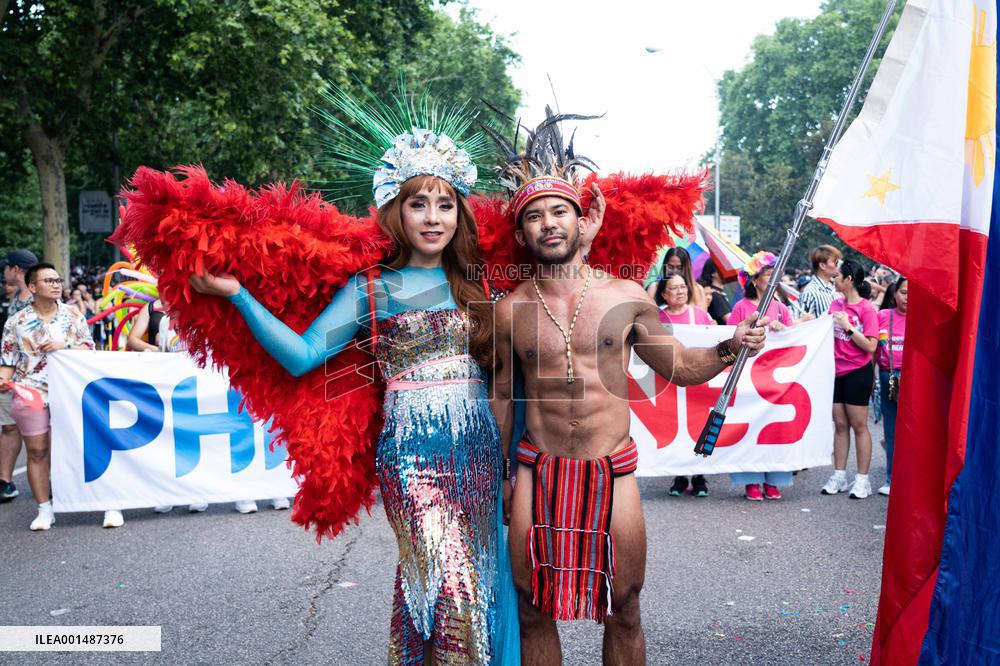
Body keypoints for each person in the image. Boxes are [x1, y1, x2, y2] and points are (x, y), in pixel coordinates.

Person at [186, 101, 520, 662]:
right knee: (447, 584)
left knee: (476, 585)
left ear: (460, 215)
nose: (433, 217)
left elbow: (505, 379)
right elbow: (302, 355)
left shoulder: (479, 285)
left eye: (445, 204)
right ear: (398, 213)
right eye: (419, 204)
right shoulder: (372, 289)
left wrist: (512, 464)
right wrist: (236, 295)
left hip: (479, 454)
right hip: (411, 458)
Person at [490, 142, 769, 664]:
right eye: (534, 216)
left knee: (625, 608)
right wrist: (498, 478)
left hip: (611, 468)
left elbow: (681, 366)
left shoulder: (625, 297)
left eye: (558, 211)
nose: (548, 224)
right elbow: (503, 398)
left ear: (580, 222)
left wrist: (733, 346)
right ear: (522, 232)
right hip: (535, 470)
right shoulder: (510, 310)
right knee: (531, 609)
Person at [0, 263, 109, 530]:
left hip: (70, 390)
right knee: (37, 450)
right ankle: (44, 509)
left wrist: (65, 346)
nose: (57, 284)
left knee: (83, 446)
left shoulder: (74, 316)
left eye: (58, 280)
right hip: (30, 392)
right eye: (49, 280)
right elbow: (8, 360)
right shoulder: (16, 322)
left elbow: (90, 349)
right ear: (33, 287)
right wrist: (3, 379)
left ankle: (107, 501)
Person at [726, 252, 796, 499]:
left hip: (776, 377)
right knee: (750, 425)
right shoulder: (741, 307)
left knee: (774, 428)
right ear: (754, 280)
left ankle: (774, 480)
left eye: (775, 275)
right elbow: (731, 338)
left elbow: (794, 341)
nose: (773, 279)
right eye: (768, 275)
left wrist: (783, 329)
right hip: (748, 376)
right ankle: (751, 481)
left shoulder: (781, 308)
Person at [821, 259, 879, 499]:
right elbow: (820, 329)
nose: (834, 279)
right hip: (836, 372)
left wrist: (848, 327)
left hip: (858, 371)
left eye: (837, 276)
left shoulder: (866, 309)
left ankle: (862, 480)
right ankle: (839, 475)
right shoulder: (835, 304)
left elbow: (871, 345)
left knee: (858, 425)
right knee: (840, 425)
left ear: (849, 280)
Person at [655, 271, 714, 498]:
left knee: (699, 426)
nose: (680, 292)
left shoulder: (698, 315)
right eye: (674, 288)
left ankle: (699, 476)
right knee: (674, 426)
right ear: (664, 294)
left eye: (683, 287)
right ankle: (679, 476)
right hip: (668, 381)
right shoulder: (659, 317)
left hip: (697, 380)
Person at [0, 249, 37, 503]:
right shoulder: (13, 296)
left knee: (39, 433)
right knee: (9, 427)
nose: (4, 273)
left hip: (33, 376)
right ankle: (5, 481)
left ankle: (48, 481)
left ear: (16, 269)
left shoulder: (38, 296)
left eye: (6, 267)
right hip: (8, 372)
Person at [875, 276, 907, 496]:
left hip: (917, 380)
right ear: (894, 293)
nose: (908, 297)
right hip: (890, 378)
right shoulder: (883, 316)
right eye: (904, 291)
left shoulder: (925, 318)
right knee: (891, 430)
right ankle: (891, 478)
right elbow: (872, 349)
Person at [799, 244, 842, 318]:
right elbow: (803, 324)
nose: (837, 266)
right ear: (822, 265)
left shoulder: (836, 289)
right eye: (835, 263)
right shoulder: (810, 292)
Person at [698, 259, 731, 324]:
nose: (727, 272)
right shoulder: (715, 294)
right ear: (713, 273)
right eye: (723, 269)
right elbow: (730, 320)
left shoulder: (718, 293)